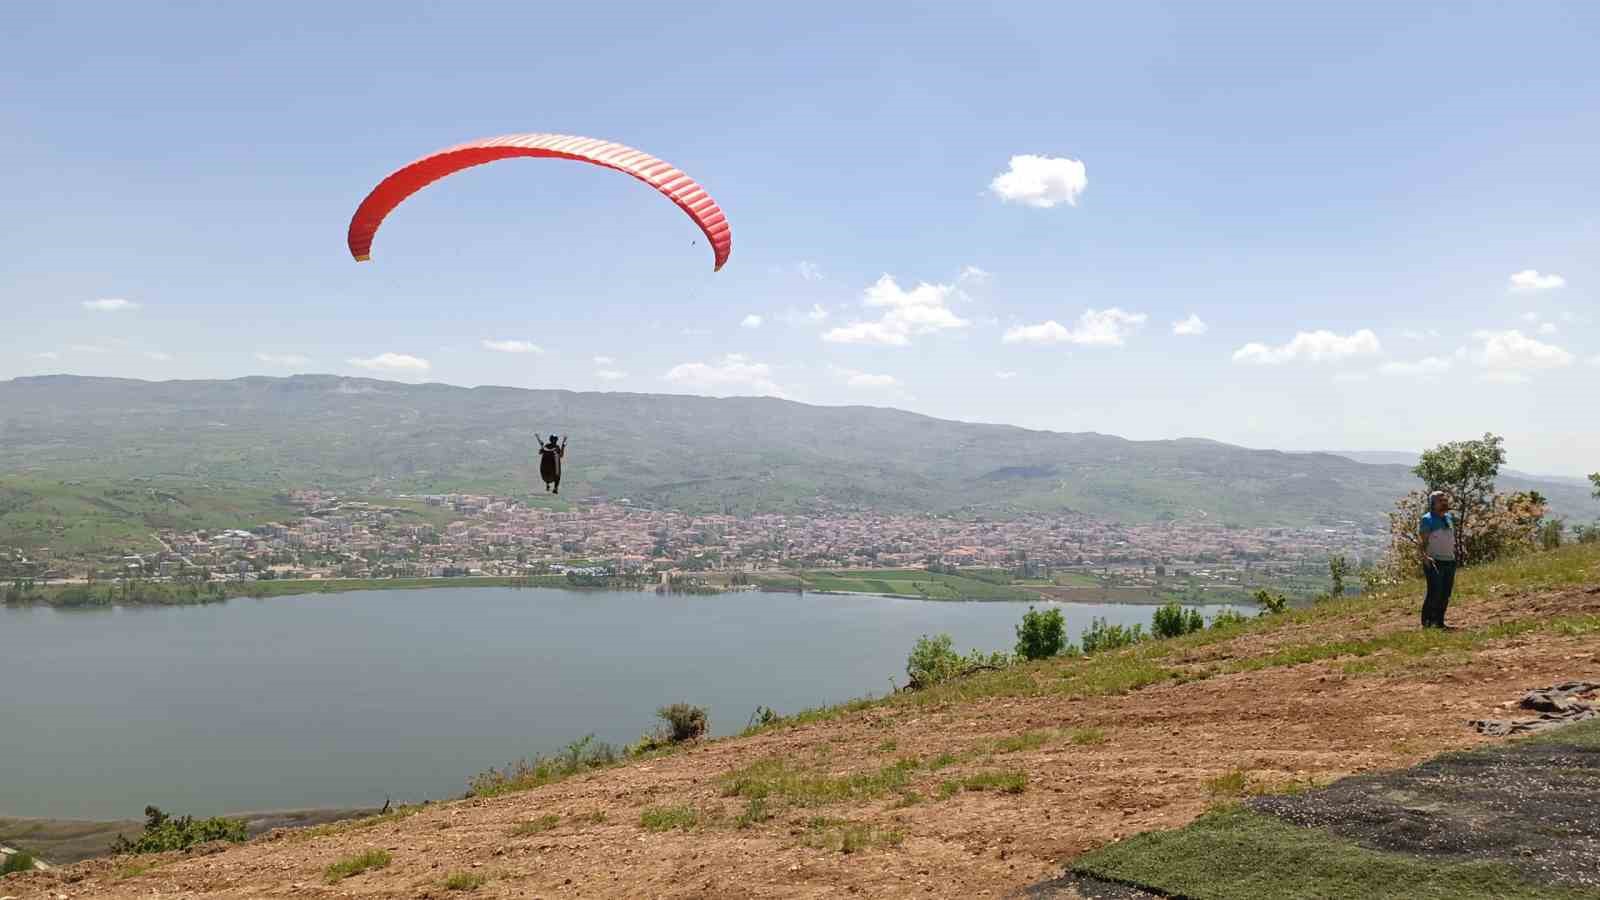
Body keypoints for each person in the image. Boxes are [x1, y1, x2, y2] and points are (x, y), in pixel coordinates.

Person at [1419, 490, 1457, 629]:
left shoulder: (1448, 518)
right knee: (1434, 592)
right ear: (1433, 503)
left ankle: (1439, 622)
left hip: (1449, 560)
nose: (1444, 502)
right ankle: (1427, 623)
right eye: (1441, 500)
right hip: (1434, 561)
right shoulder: (1427, 519)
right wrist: (1425, 557)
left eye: (1445, 500)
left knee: (1445, 593)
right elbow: (1423, 541)